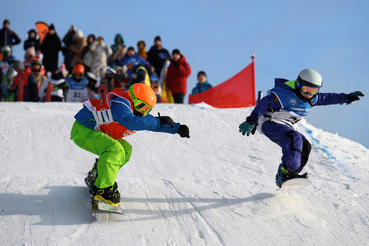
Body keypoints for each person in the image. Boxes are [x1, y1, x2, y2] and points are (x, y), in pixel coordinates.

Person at [239, 69, 366, 188]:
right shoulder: (285, 95)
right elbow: (265, 102)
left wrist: (346, 97)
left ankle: (289, 173)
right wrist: (252, 120)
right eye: (306, 90)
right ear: (299, 85)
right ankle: (287, 174)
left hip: (286, 126)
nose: (308, 94)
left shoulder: (312, 99)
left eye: (313, 91)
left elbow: (328, 97)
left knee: (305, 146)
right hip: (270, 122)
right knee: (295, 138)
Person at [71, 83, 190, 205]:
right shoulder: (121, 103)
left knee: (125, 150)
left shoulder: (135, 110)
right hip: (83, 129)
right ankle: (102, 190)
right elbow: (131, 122)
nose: (142, 111)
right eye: (140, 105)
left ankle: (97, 176)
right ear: (132, 98)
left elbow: (152, 124)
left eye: (146, 109)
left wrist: (177, 128)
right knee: (115, 150)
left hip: (93, 131)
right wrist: (158, 121)